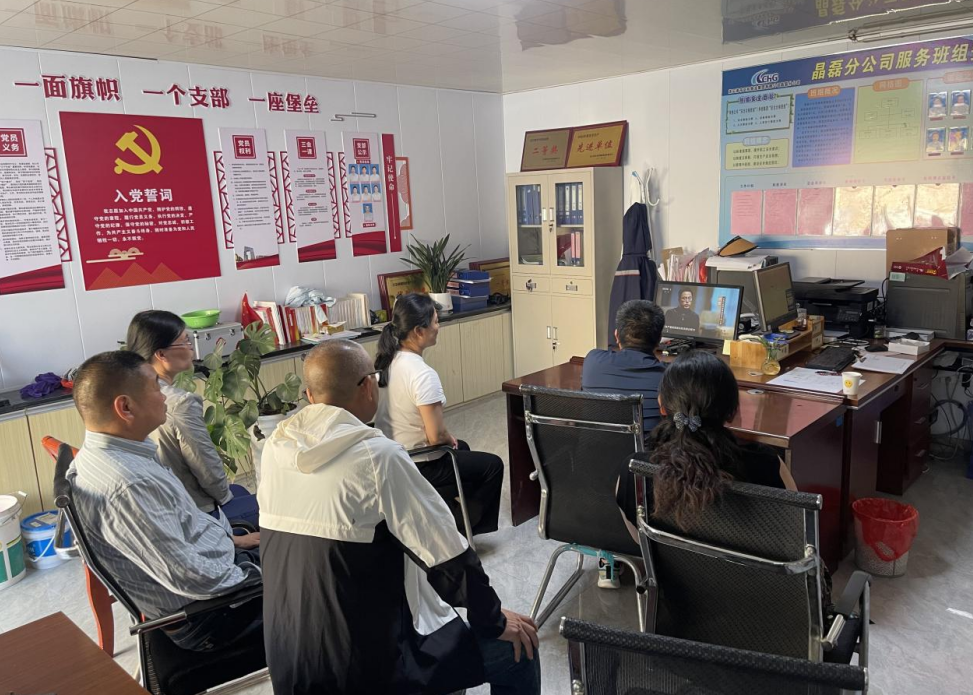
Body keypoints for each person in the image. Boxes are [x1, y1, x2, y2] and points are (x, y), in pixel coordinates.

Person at [258, 340, 541, 695]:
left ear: (309, 396)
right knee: (520, 650)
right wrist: (494, 621)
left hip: (290, 666)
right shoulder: (377, 458)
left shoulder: (275, 449)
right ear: (367, 386)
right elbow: (448, 557)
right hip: (365, 671)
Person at [67, 351, 262, 652]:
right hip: (212, 615)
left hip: (216, 572)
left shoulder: (110, 455)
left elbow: (179, 529)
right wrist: (258, 574)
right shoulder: (129, 485)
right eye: (156, 388)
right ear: (126, 407)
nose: (164, 396)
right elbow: (191, 577)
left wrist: (234, 542)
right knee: (329, 574)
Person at [374, 293, 503, 537]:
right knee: (492, 466)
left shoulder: (387, 362)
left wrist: (449, 438)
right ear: (418, 331)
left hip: (393, 456)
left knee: (462, 448)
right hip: (419, 463)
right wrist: (447, 437)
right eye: (435, 321)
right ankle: (463, 530)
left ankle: (446, 514)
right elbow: (435, 437)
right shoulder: (422, 374)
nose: (438, 326)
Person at [126, 310, 258, 526]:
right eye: (185, 342)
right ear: (161, 354)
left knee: (241, 490)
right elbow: (205, 467)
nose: (191, 348)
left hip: (158, 507)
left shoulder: (129, 393)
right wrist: (225, 499)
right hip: (193, 514)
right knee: (274, 507)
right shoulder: (179, 402)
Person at [583, 299, 667, 437]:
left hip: (593, 449)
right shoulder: (669, 377)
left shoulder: (593, 361)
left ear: (616, 335)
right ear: (659, 340)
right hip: (647, 451)